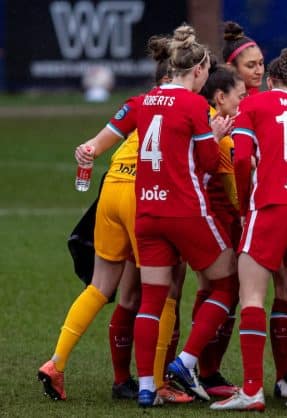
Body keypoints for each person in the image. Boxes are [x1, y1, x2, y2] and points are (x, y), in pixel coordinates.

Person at [37, 34, 192, 404]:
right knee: (165, 293)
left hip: (111, 191)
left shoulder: (137, 103)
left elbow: (92, 147)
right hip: (145, 197)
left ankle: (56, 363)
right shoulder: (188, 104)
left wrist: (86, 153)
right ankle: (156, 382)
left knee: (102, 286)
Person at [111, 24, 237, 408]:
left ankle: (147, 387)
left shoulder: (146, 100)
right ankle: (184, 362)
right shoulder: (196, 105)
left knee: (152, 299)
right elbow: (208, 164)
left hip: (147, 213)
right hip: (185, 212)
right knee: (226, 284)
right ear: (198, 70)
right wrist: (215, 137)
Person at [210, 48, 287, 411]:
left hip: (273, 203)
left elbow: (242, 157)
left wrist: (245, 205)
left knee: (253, 296)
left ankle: (251, 390)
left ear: (272, 80)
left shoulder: (255, 106)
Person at [221, 20, 287, 398]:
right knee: (227, 290)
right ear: (231, 71)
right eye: (250, 64)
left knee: (278, 286)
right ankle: (207, 372)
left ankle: (284, 377)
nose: (258, 69)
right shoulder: (223, 105)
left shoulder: (264, 103)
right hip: (232, 208)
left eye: (260, 62)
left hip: (261, 207)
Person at [193, 64, 247, 397]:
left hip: (201, 216)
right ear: (220, 97)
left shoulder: (205, 122)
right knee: (227, 290)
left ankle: (199, 369)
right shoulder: (222, 134)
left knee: (210, 290)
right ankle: (202, 369)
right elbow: (231, 191)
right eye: (239, 98)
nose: (242, 104)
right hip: (218, 220)